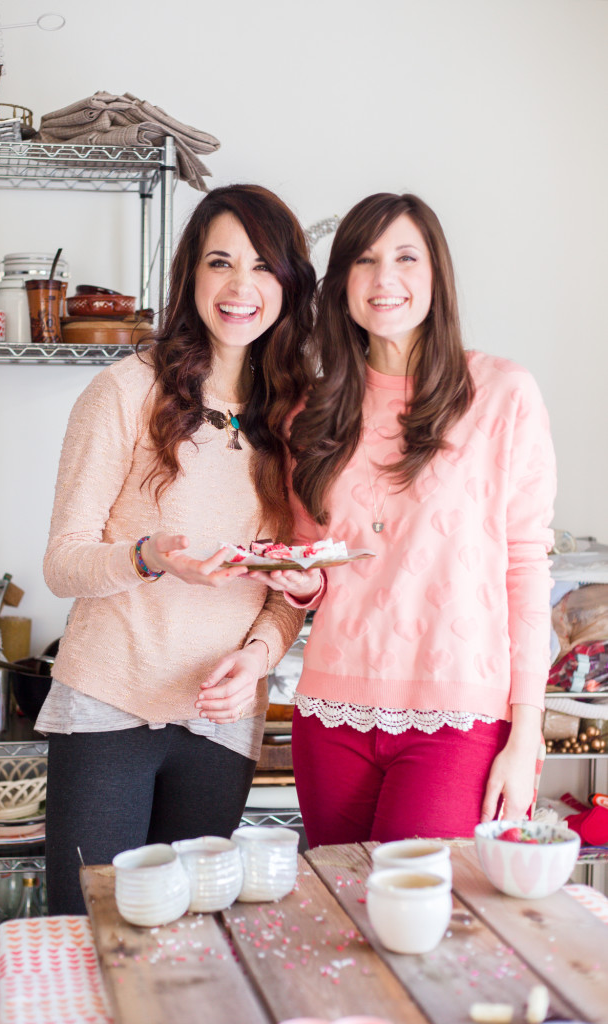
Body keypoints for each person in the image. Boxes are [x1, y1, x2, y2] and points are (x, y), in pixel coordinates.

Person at [39, 184, 316, 913]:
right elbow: (63, 562)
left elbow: (289, 587)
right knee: (88, 931)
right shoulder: (125, 390)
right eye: (220, 262)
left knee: (191, 940)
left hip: (221, 718)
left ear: (287, 284)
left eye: (261, 267)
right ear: (190, 273)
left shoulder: (293, 418)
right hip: (109, 707)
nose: (240, 286)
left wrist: (257, 658)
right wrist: (148, 556)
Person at [250, 192, 556, 848]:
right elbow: (312, 555)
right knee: (345, 923)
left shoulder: (501, 394)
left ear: (436, 276)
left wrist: (526, 731)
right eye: (364, 260)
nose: (384, 278)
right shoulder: (313, 414)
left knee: (418, 929)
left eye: (405, 258)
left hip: (459, 718)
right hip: (331, 715)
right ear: (343, 288)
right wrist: (297, 578)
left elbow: (528, 567)